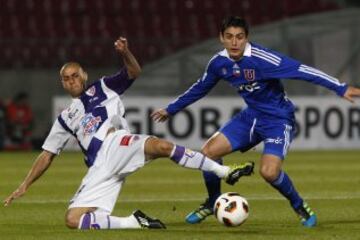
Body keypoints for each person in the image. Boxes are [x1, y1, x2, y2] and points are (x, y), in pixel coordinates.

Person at [3, 37, 251, 230]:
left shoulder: (103, 87)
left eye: (75, 76)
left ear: (84, 76)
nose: (71, 81)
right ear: (62, 83)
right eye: (66, 79)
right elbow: (47, 155)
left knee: (162, 147)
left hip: (116, 142)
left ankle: (224, 171)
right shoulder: (64, 118)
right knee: (74, 220)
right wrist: (25, 185)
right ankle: (132, 221)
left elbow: (134, 72)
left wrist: (125, 53)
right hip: (100, 166)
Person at [151, 16, 360, 227]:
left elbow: (302, 71)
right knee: (208, 153)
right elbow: (200, 88)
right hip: (251, 117)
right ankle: (213, 200)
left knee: (269, 172)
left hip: (278, 120)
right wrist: (171, 109)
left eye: (239, 37)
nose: (234, 42)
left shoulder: (263, 59)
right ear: (221, 38)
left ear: (246, 38)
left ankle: (299, 206)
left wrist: (340, 87)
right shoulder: (218, 63)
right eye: (230, 37)